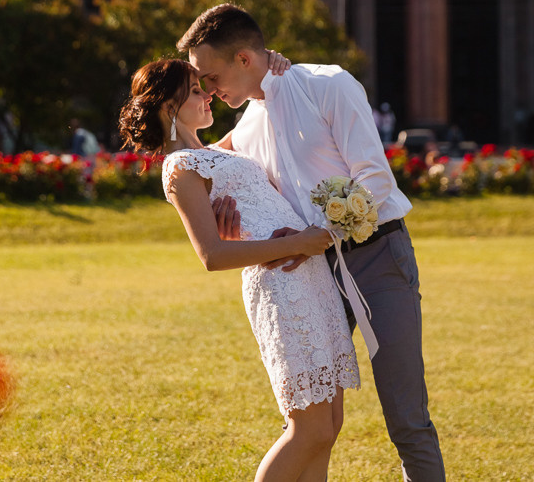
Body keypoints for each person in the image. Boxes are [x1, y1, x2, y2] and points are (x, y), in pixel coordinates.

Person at [179, 3, 445, 481]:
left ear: (244, 59)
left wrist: (316, 234)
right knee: (313, 422)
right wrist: (227, 212)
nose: (209, 91)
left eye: (210, 75)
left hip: (378, 258)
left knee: (406, 418)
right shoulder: (245, 126)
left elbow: (375, 178)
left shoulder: (329, 85)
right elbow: (196, 165)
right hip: (309, 277)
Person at [119, 59, 360, 482]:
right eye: (195, 90)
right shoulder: (180, 168)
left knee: (330, 426)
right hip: (282, 286)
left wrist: (274, 65)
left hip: (312, 277)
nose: (208, 93)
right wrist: (297, 243)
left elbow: (261, 111)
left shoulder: (211, 152)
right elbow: (210, 255)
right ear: (167, 108)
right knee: (309, 428)